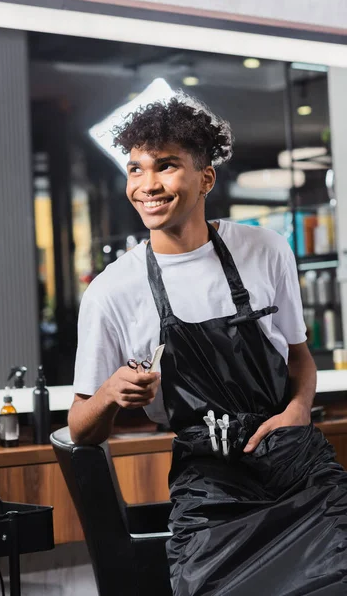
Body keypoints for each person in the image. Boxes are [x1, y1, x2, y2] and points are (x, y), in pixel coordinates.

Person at [69, 94, 347, 595]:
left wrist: (299, 409)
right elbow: (80, 428)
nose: (146, 185)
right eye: (135, 169)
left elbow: (300, 357)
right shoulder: (112, 291)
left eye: (167, 166)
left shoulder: (265, 249)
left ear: (206, 178)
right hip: (211, 487)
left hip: (298, 468)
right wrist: (110, 392)